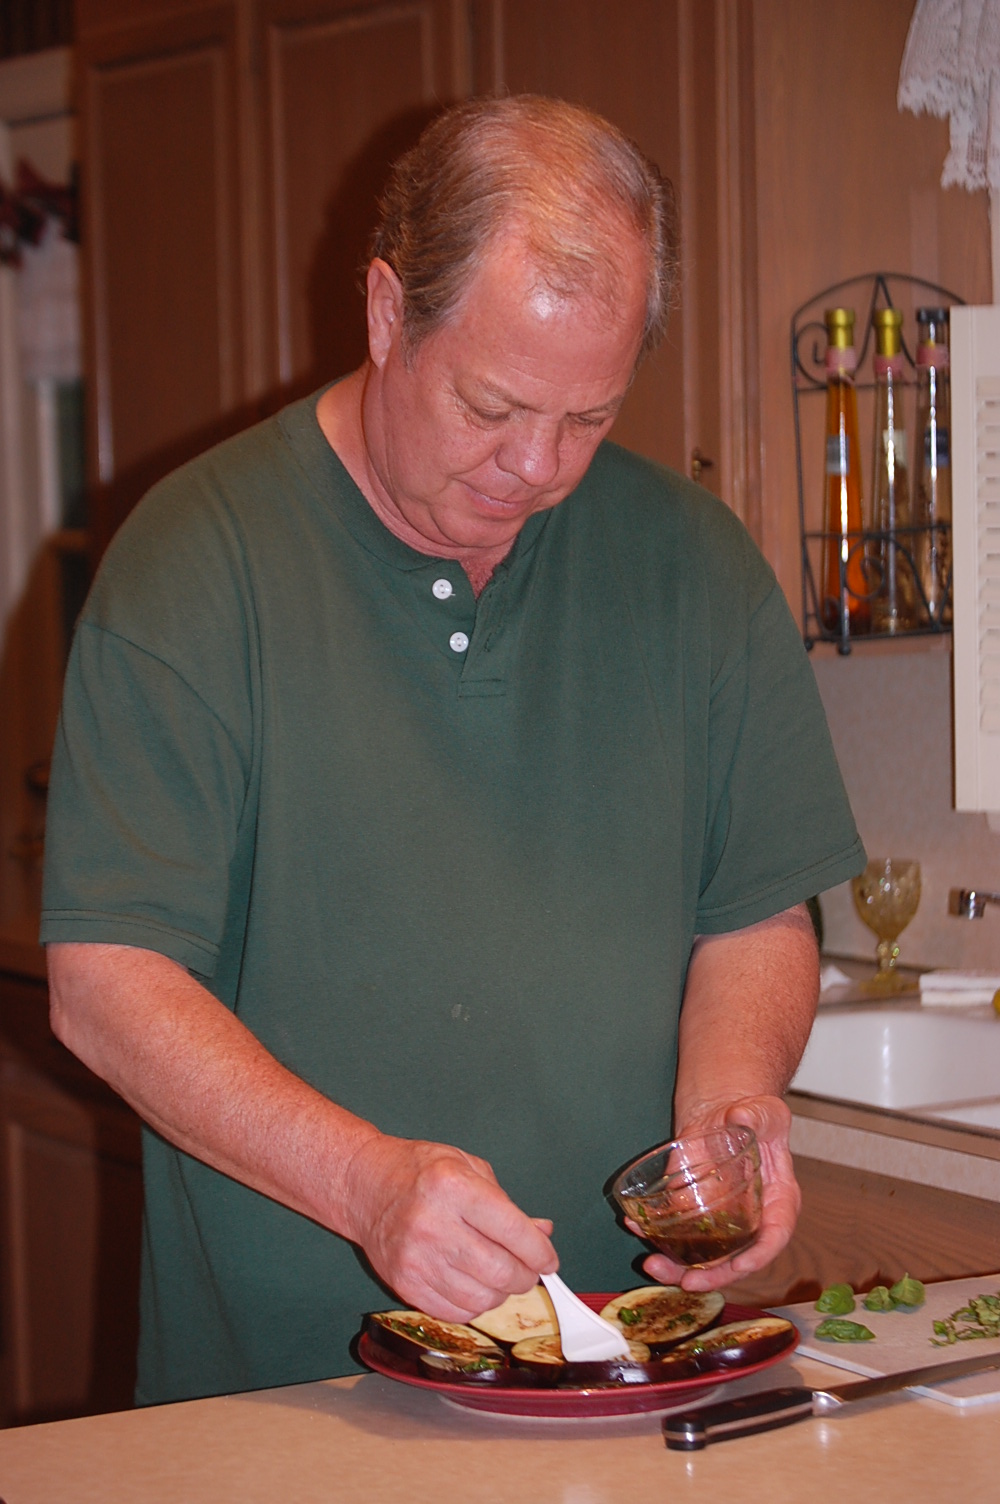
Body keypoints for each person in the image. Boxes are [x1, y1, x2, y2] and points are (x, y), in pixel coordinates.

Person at [41, 94, 864, 1405]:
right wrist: (368, 1186)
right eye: (493, 405)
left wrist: (731, 1110)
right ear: (387, 314)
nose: (535, 467)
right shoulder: (199, 563)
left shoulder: (693, 569)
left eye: (588, 419)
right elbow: (106, 980)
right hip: (281, 1397)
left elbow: (756, 911)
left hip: (625, 1364)